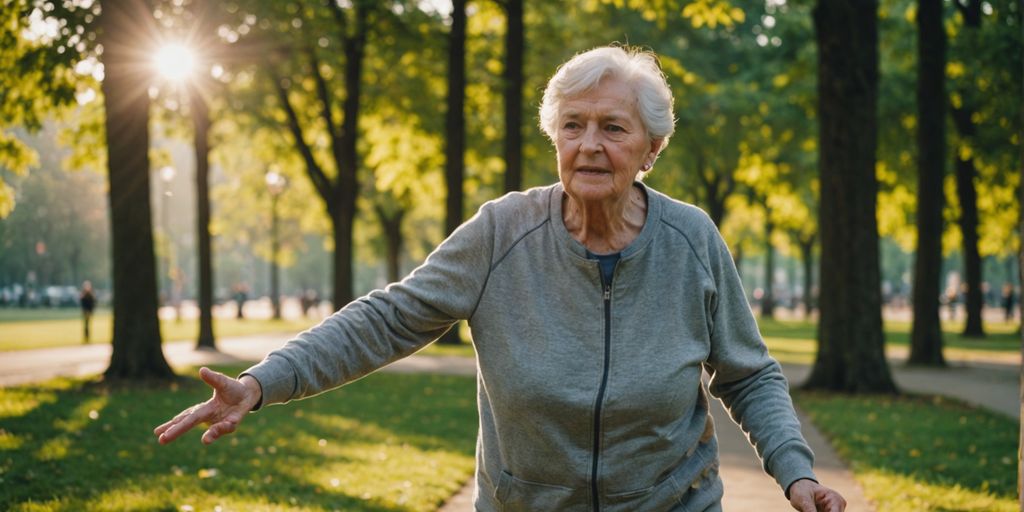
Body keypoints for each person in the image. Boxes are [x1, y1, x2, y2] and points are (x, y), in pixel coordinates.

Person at [155, 46, 846, 512]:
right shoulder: (501, 231)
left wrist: (797, 473)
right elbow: (388, 318)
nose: (589, 145)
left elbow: (748, 374)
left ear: (652, 148)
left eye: (613, 127)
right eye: (572, 126)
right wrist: (262, 382)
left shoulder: (690, 239)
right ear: (554, 138)